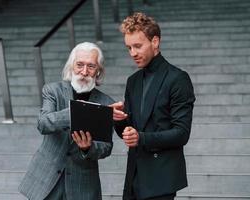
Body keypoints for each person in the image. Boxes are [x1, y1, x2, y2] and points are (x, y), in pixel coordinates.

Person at [110, 13, 196, 200]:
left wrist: (141, 137)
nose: (132, 53)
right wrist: (118, 119)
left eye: (138, 46)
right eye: (129, 47)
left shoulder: (178, 79)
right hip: (134, 176)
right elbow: (129, 132)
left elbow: (182, 133)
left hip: (161, 178)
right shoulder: (132, 81)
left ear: (155, 41)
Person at [19, 42, 114, 200]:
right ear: (71, 66)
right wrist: (74, 114)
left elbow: (106, 147)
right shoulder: (52, 91)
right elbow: (43, 123)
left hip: (82, 185)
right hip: (45, 180)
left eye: (91, 66)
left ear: (98, 71)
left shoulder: (106, 102)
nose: (84, 72)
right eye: (79, 65)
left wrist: (88, 148)